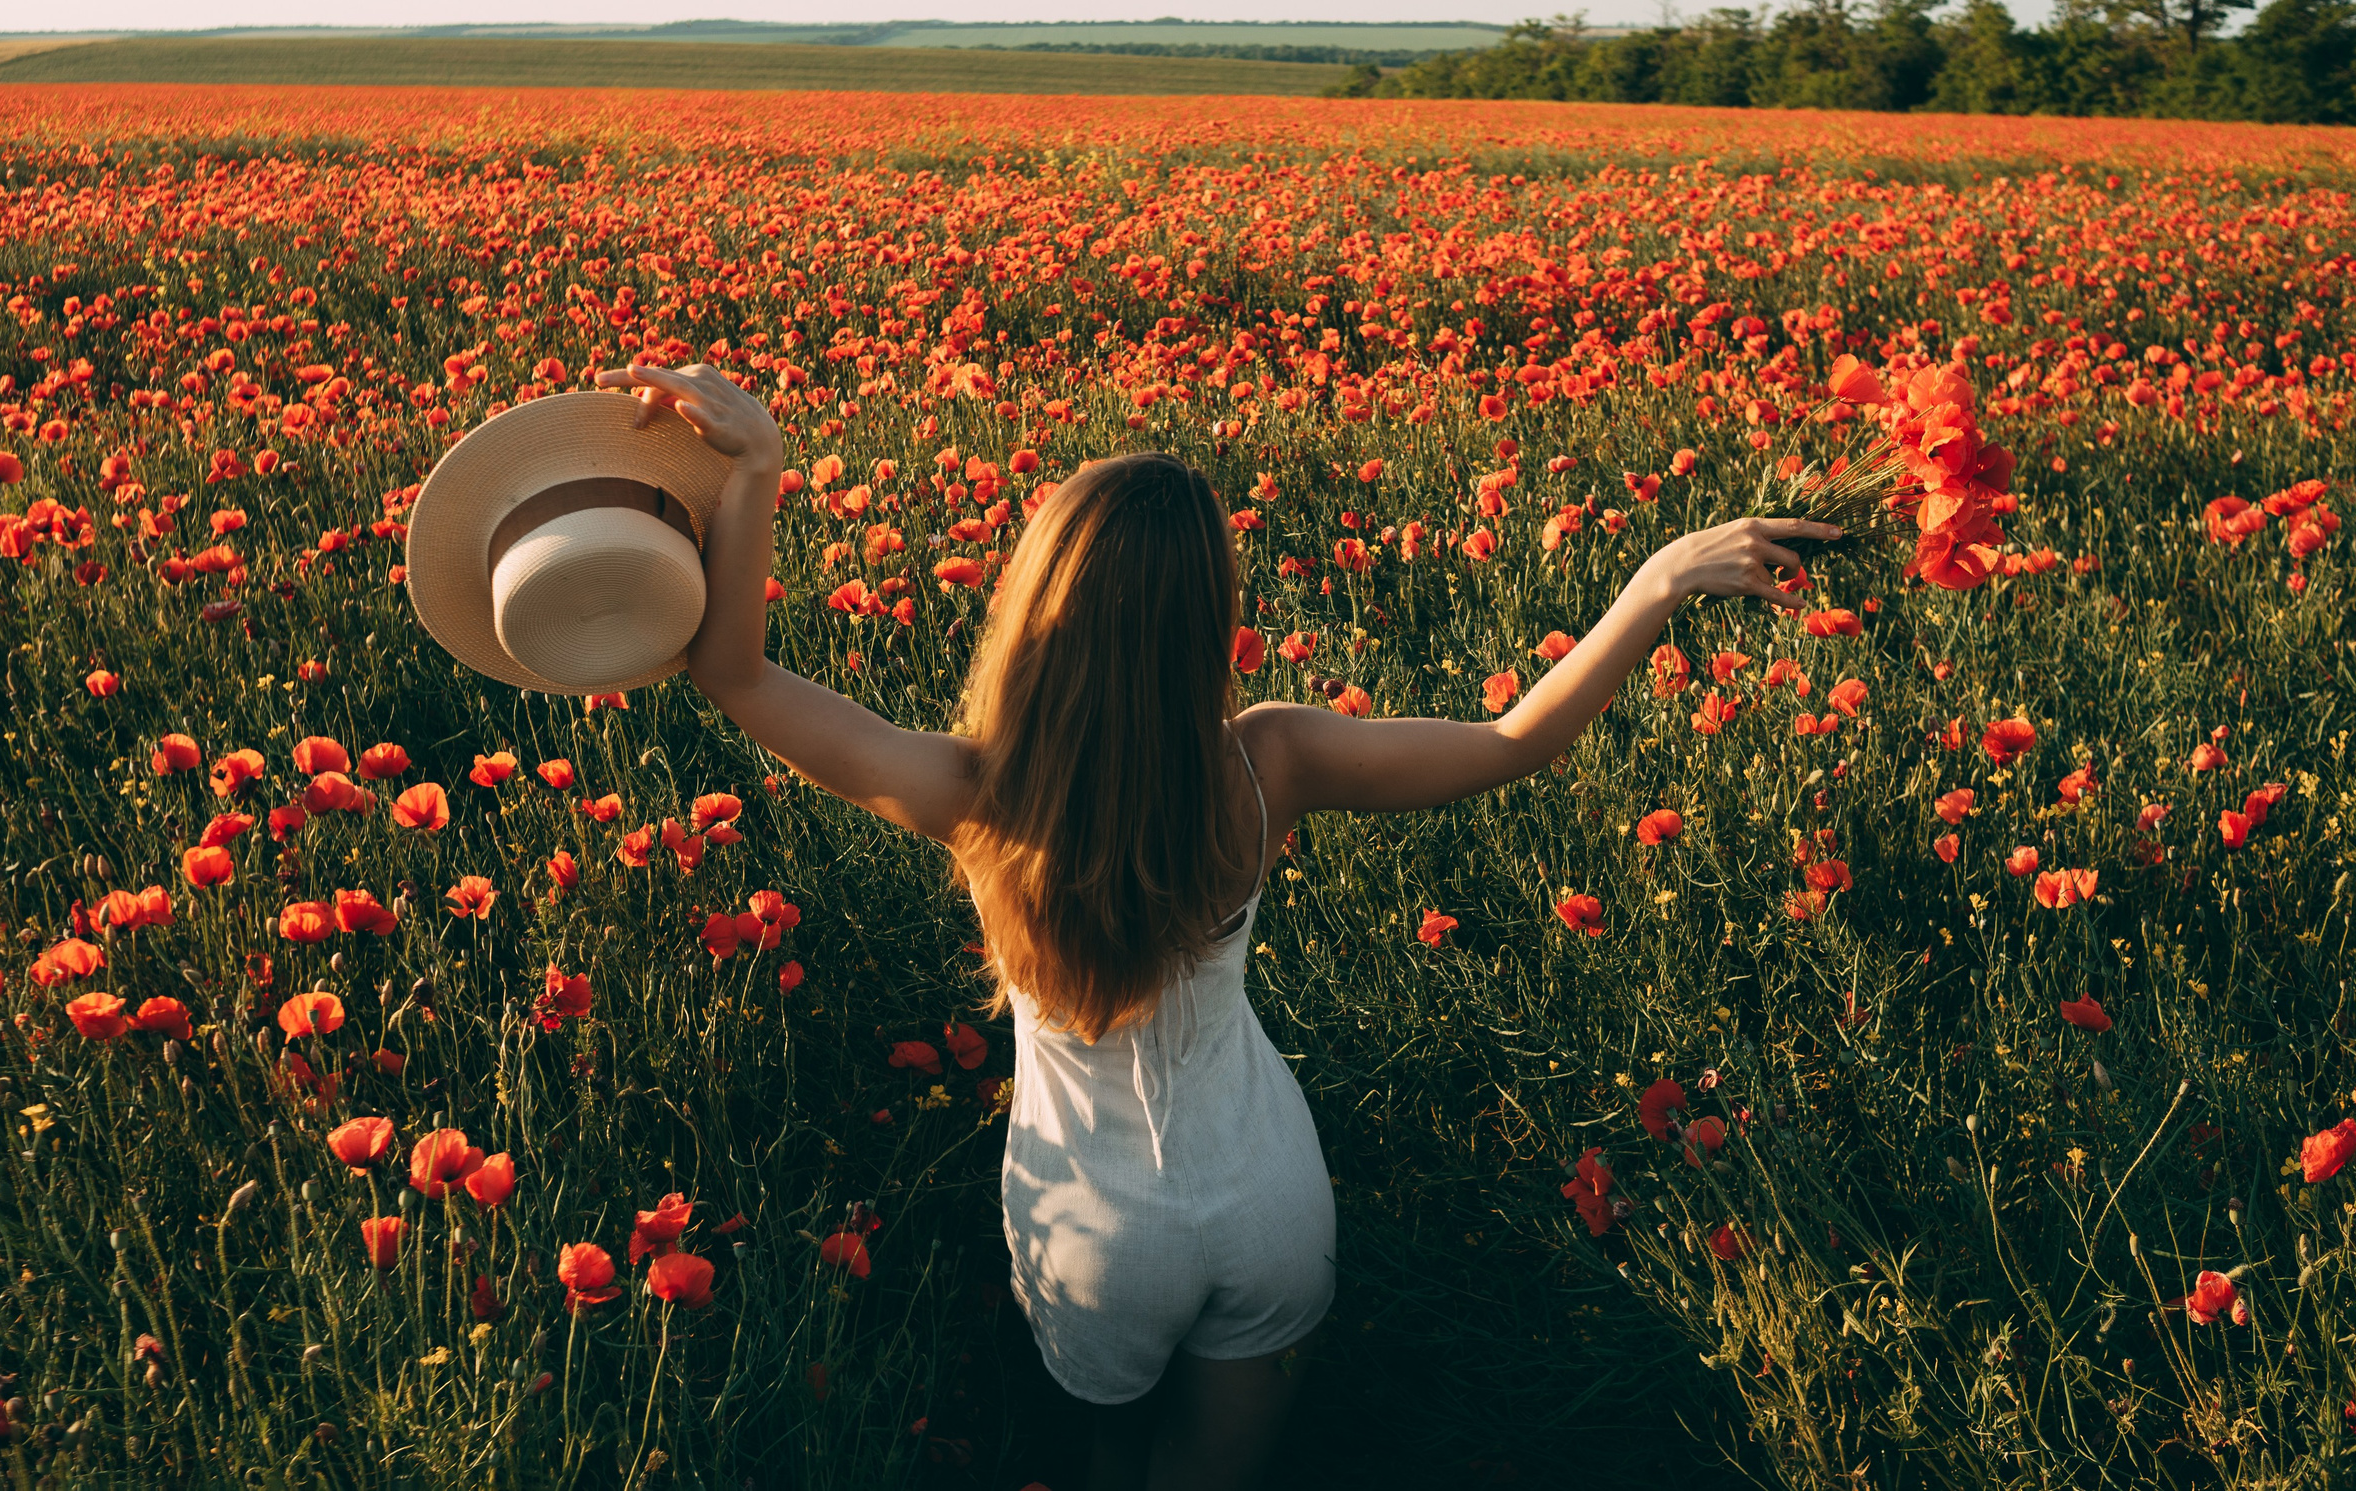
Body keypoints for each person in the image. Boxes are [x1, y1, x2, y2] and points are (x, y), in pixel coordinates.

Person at [597, 361, 1839, 1491]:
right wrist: (1656, 580)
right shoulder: (1270, 763)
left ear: (1034, 606)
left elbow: (734, 671)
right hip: (1268, 1202)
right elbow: (1519, 740)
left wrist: (756, 467)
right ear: (1209, 618)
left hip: (1090, 1225)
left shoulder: (976, 797)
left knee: (1107, 1453)